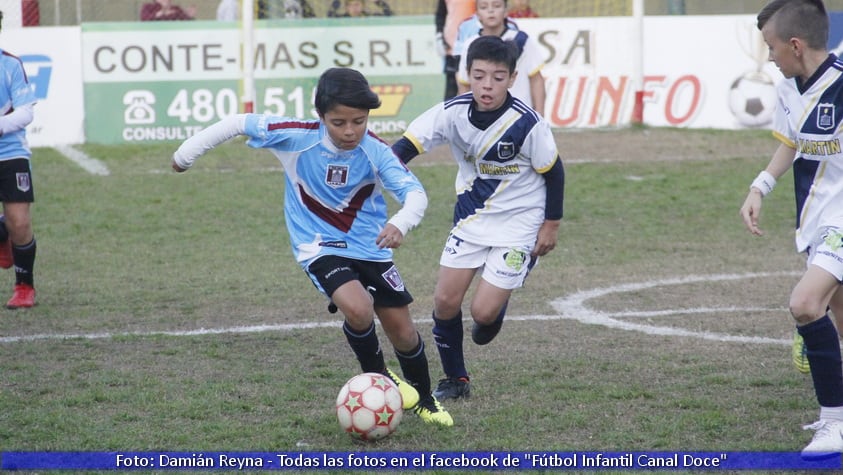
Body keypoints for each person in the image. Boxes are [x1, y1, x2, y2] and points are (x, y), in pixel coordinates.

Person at [171, 67, 453, 427]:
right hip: (318, 245)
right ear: (320, 116)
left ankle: (425, 399)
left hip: (371, 248)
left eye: (359, 121)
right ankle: (381, 378)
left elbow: (414, 194)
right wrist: (184, 155)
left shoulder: (376, 151)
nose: (350, 131)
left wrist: (400, 222)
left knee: (404, 331)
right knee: (358, 306)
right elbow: (238, 122)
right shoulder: (295, 136)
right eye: (339, 122)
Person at [392, 35, 565, 401]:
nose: (488, 85)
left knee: (482, 315)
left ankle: (498, 303)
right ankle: (456, 380)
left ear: (512, 78)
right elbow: (404, 148)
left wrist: (550, 226)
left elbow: (554, 172)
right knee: (444, 302)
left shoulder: (526, 124)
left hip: (520, 225)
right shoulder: (451, 112)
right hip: (471, 222)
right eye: (480, 75)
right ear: (467, 74)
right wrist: (383, 177)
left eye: (498, 77)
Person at [740, 0, 843, 459]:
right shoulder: (788, 88)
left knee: (805, 304)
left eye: (772, 47)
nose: (769, 57)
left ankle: (834, 423)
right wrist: (759, 187)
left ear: (796, 45)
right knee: (839, 316)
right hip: (815, 222)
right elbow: (790, 142)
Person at [0, 10, 38, 309]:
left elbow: (26, 112)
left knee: (20, 223)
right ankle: (3, 234)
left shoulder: (10, 64)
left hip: (10, 153)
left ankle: (24, 286)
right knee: (8, 227)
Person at [456, 0, 546, 116]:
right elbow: (464, 85)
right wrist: (463, 116)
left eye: (497, 6)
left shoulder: (522, 40)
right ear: (477, 15)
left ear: (505, 11)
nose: (491, 10)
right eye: (484, 7)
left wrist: (540, 114)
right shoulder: (470, 44)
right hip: (483, 118)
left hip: (519, 116)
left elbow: (536, 80)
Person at [435, 0, 476, 100]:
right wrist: (439, 34)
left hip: (475, 44)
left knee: (473, 86)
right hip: (451, 45)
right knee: (451, 88)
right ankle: (449, 115)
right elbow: (441, 13)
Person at [327, 0, 392, 17]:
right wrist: (337, 1)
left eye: (357, 5)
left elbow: (389, 16)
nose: (354, 8)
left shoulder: (371, 18)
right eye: (350, 5)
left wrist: (378, 1)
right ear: (346, 8)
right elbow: (330, 16)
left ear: (363, 6)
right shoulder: (342, 20)